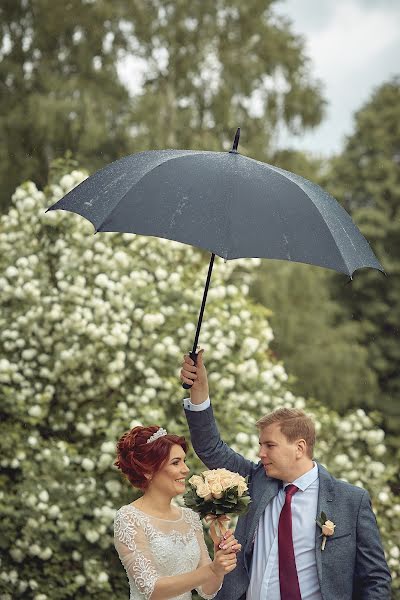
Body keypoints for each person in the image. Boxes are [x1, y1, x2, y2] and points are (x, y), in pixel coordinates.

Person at [180, 350, 392, 600]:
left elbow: (376, 579)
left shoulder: (351, 502)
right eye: (260, 445)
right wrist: (199, 391)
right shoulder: (255, 480)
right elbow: (210, 447)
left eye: (269, 445)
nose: (261, 453)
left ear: (299, 448)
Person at [113, 424, 241, 600]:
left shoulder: (189, 517)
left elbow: (207, 590)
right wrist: (211, 569)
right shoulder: (129, 518)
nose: (186, 469)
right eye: (176, 462)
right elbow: (152, 590)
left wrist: (218, 564)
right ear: (148, 471)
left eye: (184, 461)